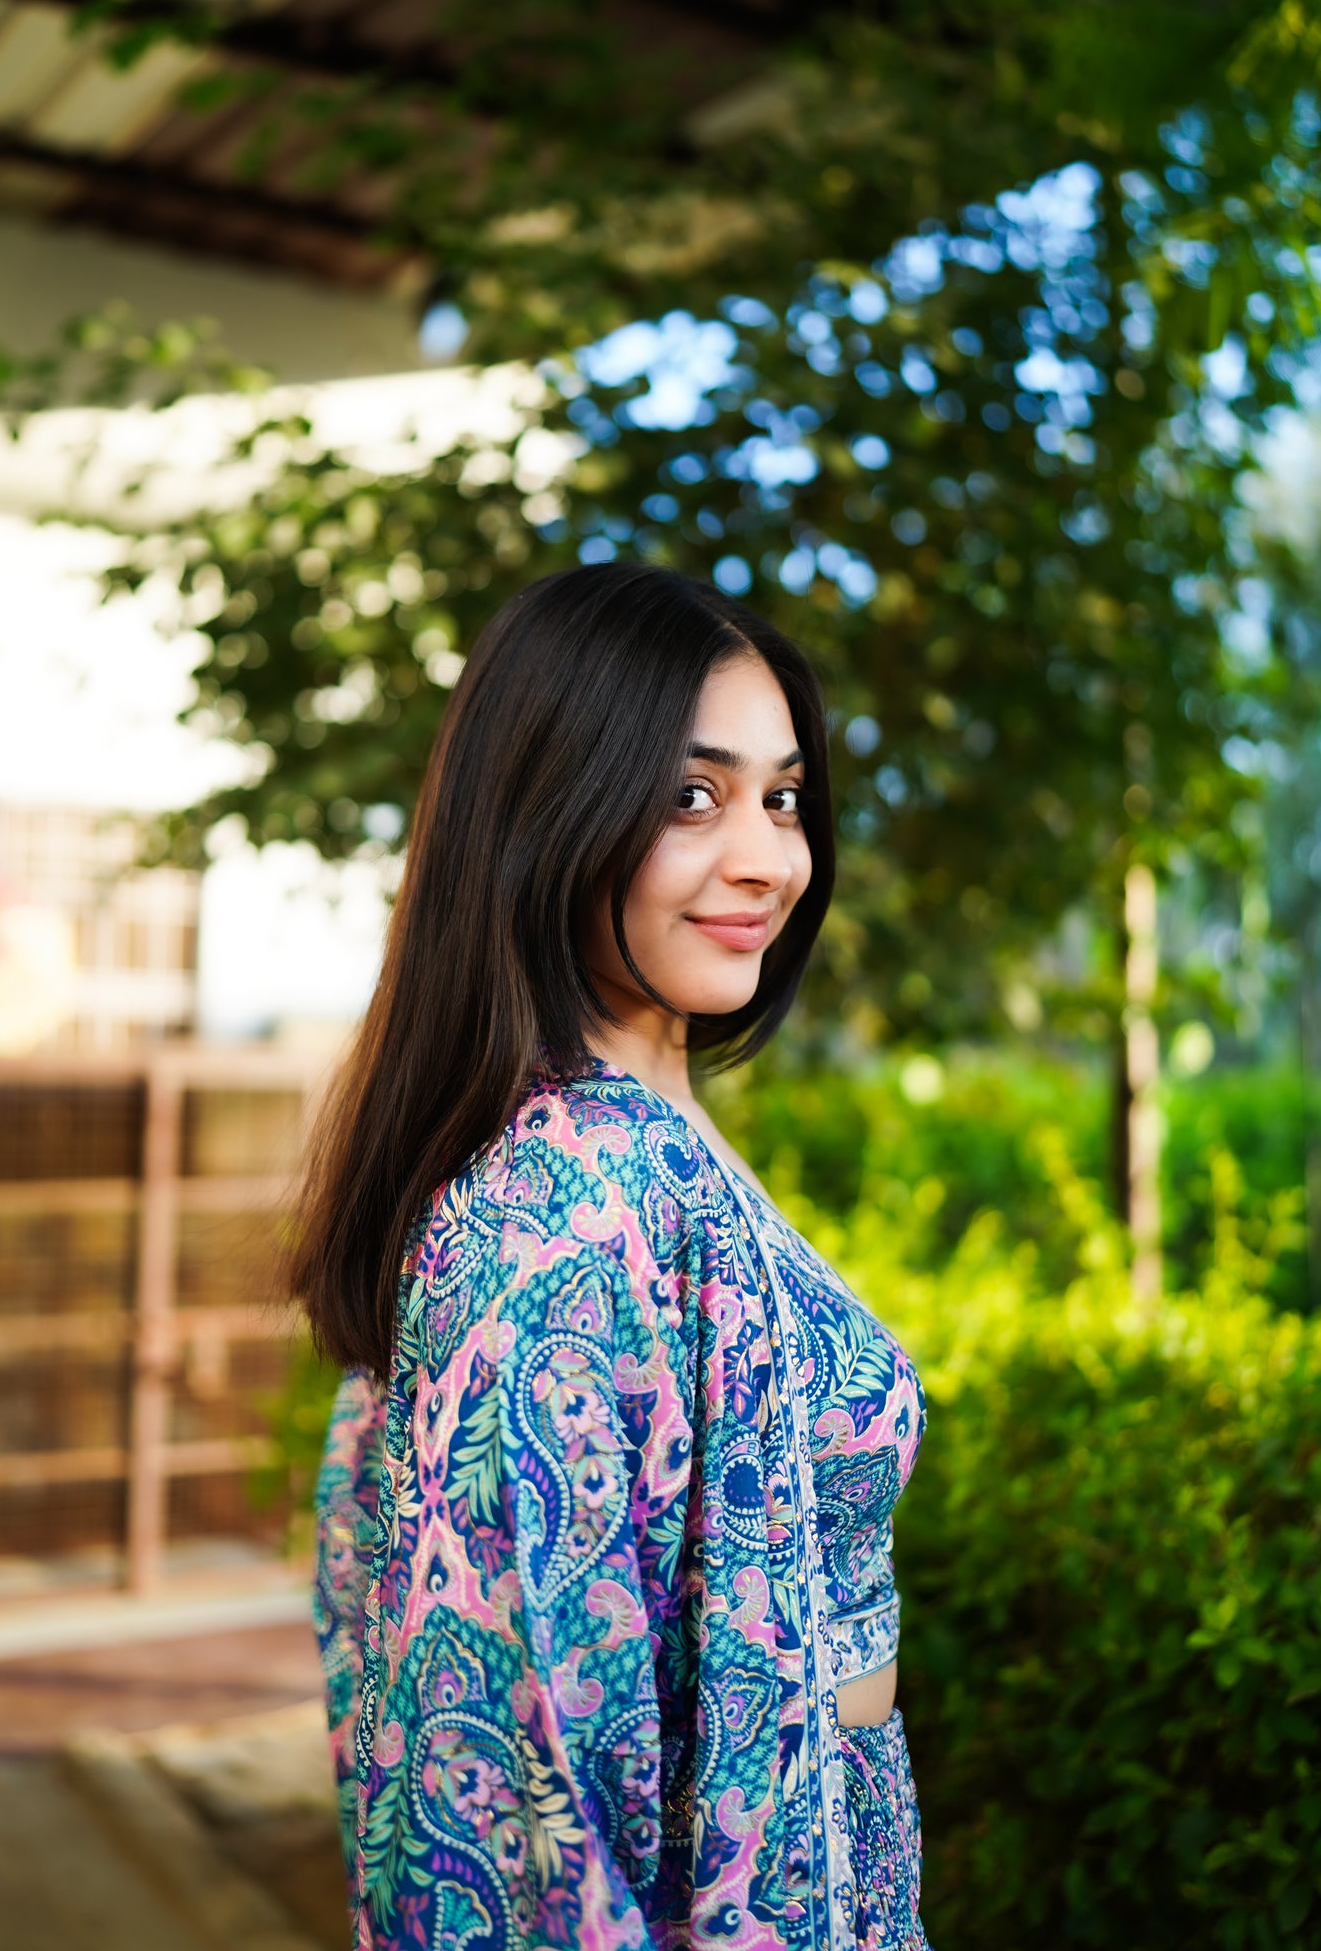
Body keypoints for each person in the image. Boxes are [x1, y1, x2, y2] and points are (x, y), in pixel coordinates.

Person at [297, 562, 929, 1950]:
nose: (766, 856)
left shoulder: (645, 1142)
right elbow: (526, 1790)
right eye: (688, 797)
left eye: (780, 796)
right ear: (549, 813)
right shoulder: (564, 1214)